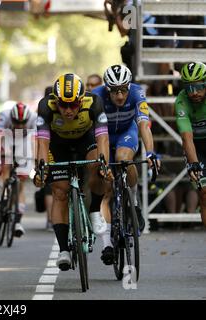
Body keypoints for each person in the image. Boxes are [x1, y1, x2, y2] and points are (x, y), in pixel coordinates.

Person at [34, 73, 112, 271]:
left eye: (73, 105)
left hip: (85, 140)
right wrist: (41, 168)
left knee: (98, 167)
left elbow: (103, 139)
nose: (68, 110)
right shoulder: (46, 106)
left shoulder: (94, 102)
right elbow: (42, 142)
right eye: (63, 105)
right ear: (56, 101)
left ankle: (94, 210)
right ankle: (63, 250)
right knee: (60, 192)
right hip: (57, 145)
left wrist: (105, 164)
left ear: (81, 99)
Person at [93, 64, 159, 265]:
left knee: (123, 158)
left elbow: (143, 125)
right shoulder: (96, 97)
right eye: (114, 91)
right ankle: (106, 244)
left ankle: (135, 202)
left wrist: (150, 152)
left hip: (125, 133)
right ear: (107, 89)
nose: (120, 96)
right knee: (104, 190)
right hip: (102, 136)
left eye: (123, 90)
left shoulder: (138, 92)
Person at [0, 102, 37, 237]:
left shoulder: (34, 118)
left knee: (20, 183)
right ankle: (4, 194)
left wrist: (35, 161)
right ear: (11, 119)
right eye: (16, 122)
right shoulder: (4, 116)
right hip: (7, 137)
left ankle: (18, 222)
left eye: (22, 123)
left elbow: (35, 142)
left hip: (24, 141)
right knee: (5, 167)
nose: (19, 125)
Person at [175, 62, 206, 227]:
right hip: (196, 147)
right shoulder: (181, 101)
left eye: (199, 87)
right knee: (204, 194)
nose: (194, 93)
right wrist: (194, 164)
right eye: (189, 88)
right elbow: (187, 137)